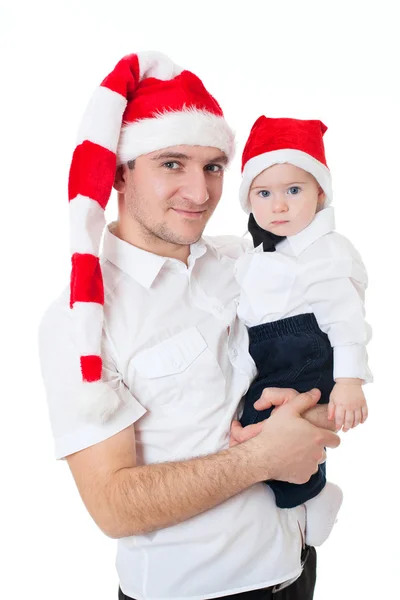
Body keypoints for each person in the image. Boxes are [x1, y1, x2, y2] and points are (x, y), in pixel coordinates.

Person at [38, 52, 340, 600]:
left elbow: (323, 357)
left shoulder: (244, 264)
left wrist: (309, 414)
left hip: (296, 570)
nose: (200, 194)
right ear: (122, 172)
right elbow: (112, 505)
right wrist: (262, 457)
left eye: (214, 167)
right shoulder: (77, 322)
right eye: (173, 164)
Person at [231, 115, 372, 546]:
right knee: (256, 421)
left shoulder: (322, 251)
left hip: (306, 347)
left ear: (320, 194)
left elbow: (345, 317)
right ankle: (308, 496)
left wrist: (348, 381)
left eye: (294, 190)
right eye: (264, 193)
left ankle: (314, 495)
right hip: (272, 353)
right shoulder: (258, 253)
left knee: (266, 427)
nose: (279, 206)